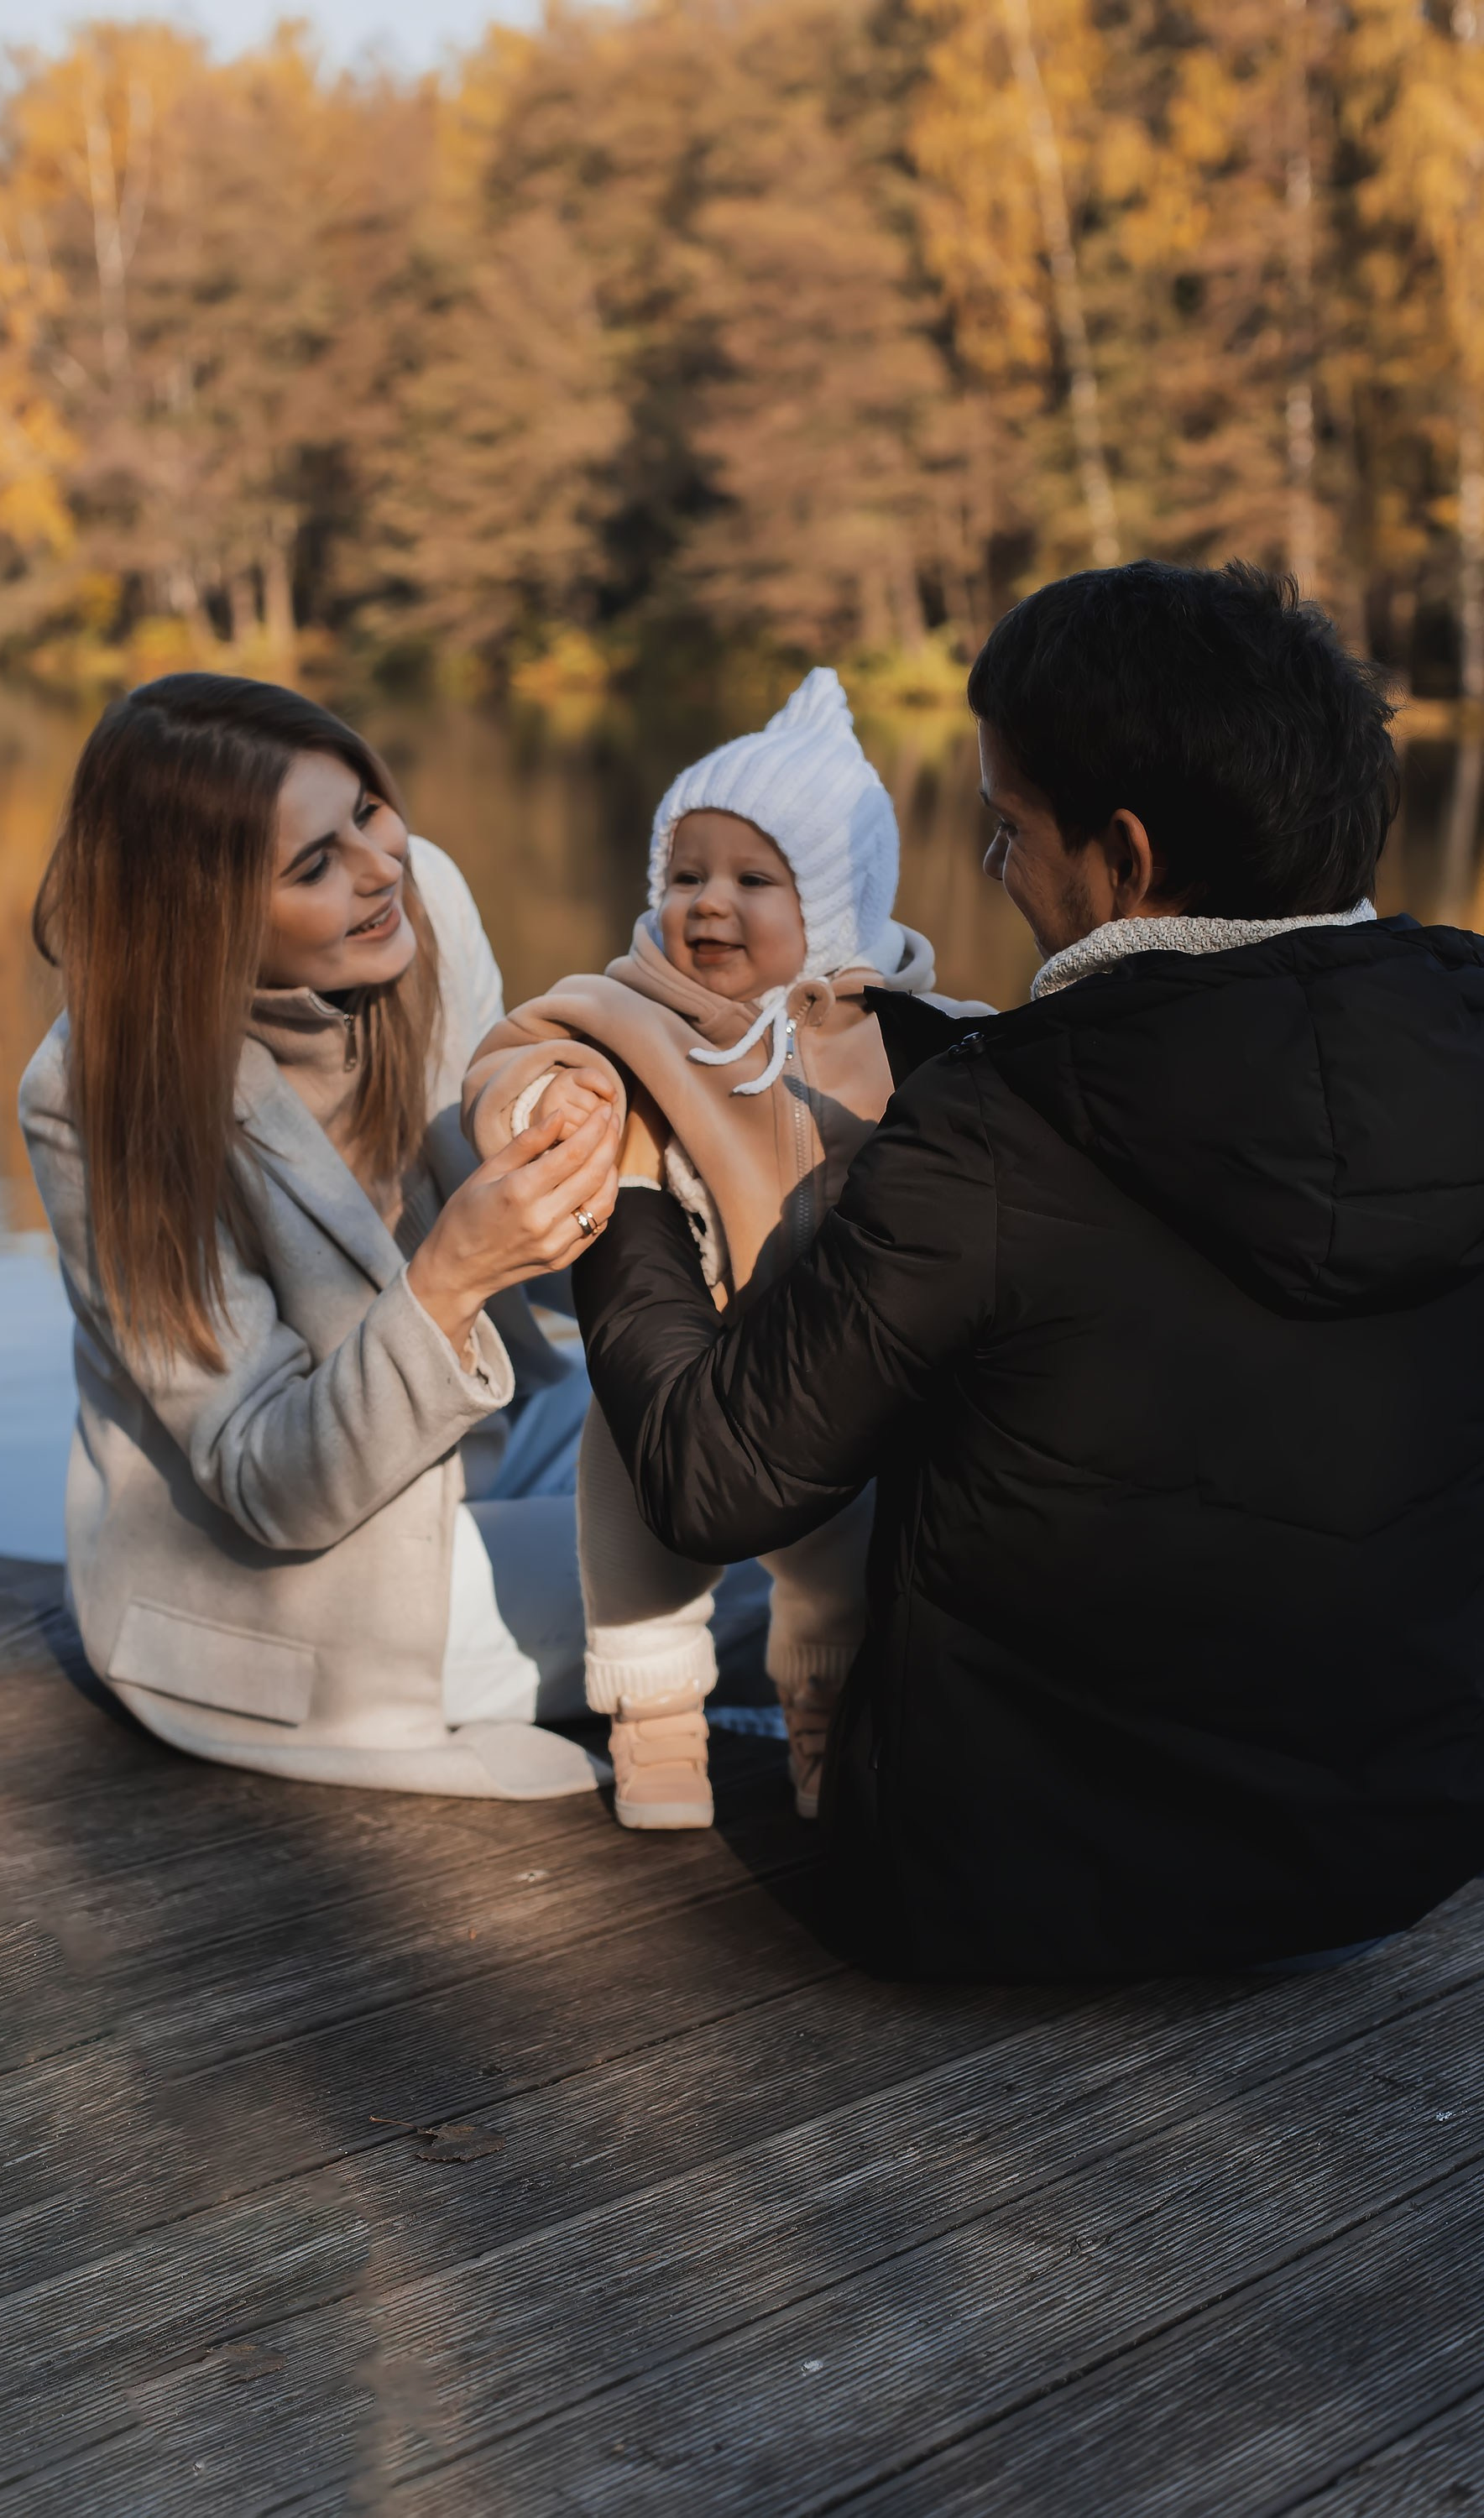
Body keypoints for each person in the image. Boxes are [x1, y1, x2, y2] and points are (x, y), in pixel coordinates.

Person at [576, 562, 1484, 1977]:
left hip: (1008, 1884)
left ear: (1124, 858)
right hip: (1409, 1843)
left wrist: (626, 1195)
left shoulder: (996, 1131)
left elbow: (712, 1479)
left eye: (1008, 833)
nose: (999, 877)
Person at [20, 672, 622, 1799]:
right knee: (784, 1555)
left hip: (480, 1447)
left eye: (366, 810)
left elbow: (501, 1157)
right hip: (286, 1601)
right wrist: (445, 1283)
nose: (377, 866)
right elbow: (268, 1481)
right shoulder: (98, 1095)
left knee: (775, 1439)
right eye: (313, 867)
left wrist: (573, 1134)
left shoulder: (417, 902)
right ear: (199, 919)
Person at [463, 670, 986, 1830]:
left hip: (836, 1380)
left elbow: (1004, 1084)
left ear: (838, 903)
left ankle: (823, 1722)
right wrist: (552, 1100)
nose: (709, 904)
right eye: (686, 875)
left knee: (840, 1577)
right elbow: (518, 1056)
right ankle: (655, 1734)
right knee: (633, 1554)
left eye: (756, 879)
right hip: (672, 1365)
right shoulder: (626, 1013)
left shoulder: (914, 1042)